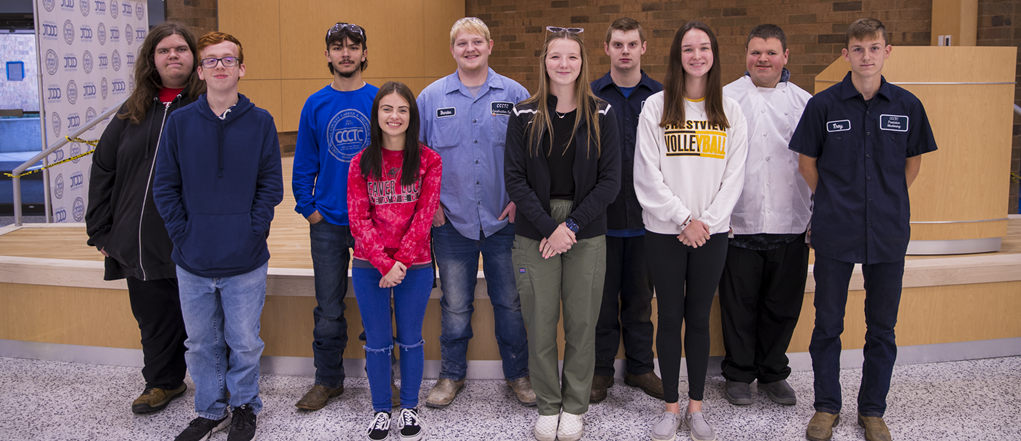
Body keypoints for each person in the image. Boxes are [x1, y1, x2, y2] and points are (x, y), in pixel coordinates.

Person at [789, 18, 937, 441]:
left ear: (887, 52)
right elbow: (806, 163)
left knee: (882, 328)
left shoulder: (907, 106)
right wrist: (837, 200)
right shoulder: (823, 105)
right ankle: (826, 407)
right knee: (828, 324)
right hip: (835, 229)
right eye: (858, 49)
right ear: (846, 54)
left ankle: (872, 410)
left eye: (874, 48)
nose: (866, 56)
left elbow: (913, 163)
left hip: (889, 231)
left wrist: (884, 200)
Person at [153, 31, 283, 441]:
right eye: (211, 60)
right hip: (192, 259)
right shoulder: (180, 122)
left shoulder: (261, 122)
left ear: (241, 68)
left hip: (245, 258)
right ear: (201, 70)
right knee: (201, 344)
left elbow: (270, 187)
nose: (220, 66)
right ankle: (210, 410)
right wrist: (184, 235)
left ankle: (244, 406)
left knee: (243, 342)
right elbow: (164, 187)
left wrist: (252, 230)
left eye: (229, 59)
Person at [505, 27, 620, 441]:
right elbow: (515, 180)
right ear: (544, 62)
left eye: (572, 57)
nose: (564, 64)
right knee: (539, 323)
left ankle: (574, 406)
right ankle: (548, 405)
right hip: (535, 227)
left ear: (583, 62)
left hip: (585, 227)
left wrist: (569, 226)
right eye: (556, 56)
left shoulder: (603, 113)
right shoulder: (523, 114)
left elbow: (610, 182)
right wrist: (550, 227)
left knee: (581, 322)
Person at [634, 21, 748, 441]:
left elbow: (735, 176)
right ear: (677, 55)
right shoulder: (656, 106)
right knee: (669, 319)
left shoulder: (730, 110)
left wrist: (707, 223)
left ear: (714, 54)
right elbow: (646, 175)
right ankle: (670, 407)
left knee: (699, 319)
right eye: (688, 48)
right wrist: (684, 220)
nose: (696, 55)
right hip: (666, 232)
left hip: (712, 234)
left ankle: (696, 408)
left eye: (703, 48)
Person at [85, 20, 205, 415]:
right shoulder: (131, 111)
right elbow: (104, 169)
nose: (174, 55)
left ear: (194, 57)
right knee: (153, 320)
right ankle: (162, 383)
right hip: (138, 239)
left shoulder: (207, 108)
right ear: (152, 60)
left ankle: (214, 388)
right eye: (164, 50)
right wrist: (101, 230)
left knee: (203, 324)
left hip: (191, 239)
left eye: (181, 49)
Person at [417, 16, 534, 409]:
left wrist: (522, 199)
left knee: (510, 303)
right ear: (452, 50)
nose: (470, 49)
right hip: (451, 223)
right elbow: (415, 160)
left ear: (490, 46)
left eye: (477, 43)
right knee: (454, 305)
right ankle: (451, 376)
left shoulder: (516, 93)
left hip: (505, 222)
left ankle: (519, 376)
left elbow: (533, 155)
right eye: (462, 43)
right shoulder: (431, 98)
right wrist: (430, 207)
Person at [718, 23, 813, 407]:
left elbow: (817, 161)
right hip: (738, 222)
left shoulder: (806, 102)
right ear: (746, 56)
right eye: (756, 52)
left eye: (771, 52)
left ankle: (773, 372)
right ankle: (739, 374)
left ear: (786, 57)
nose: (763, 59)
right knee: (738, 305)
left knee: (782, 306)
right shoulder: (724, 98)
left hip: (791, 223)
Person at [292, 22, 381, 411]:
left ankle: (382, 379)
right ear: (327, 55)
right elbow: (304, 163)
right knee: (328, 308)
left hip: (374, 225)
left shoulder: (380, 100)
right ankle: (328, 381)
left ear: (364, 53)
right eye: (337, 47)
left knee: (377, 307)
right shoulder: (315, 104)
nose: (346, 53)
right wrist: (309, 210)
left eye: (353, 46)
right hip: (327, 222)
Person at [348, 81, 442, 441]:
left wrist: (400, 261)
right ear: (377, 115)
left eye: (402, 109)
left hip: (414, 264)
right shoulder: (361, 161)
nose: (394, 115)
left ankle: (408, 408)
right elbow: (359, 219)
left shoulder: (429, 160)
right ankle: (380, 410)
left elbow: (425, 215)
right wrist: (383, 263)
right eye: (387, 108)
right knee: (377, 341)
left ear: (412, 117)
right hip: (369, 264)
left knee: (411, 340)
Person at [588, 17, 664, 403]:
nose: (625, 51)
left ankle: (639, 368)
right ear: (607, 49)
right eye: (617, 44)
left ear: (643, 48)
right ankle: (601, 372)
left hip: (648, 221)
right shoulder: (591, 96)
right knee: (601, 305)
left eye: (632, 44)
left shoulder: (662, 97)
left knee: (639, 302)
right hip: (601, 221)